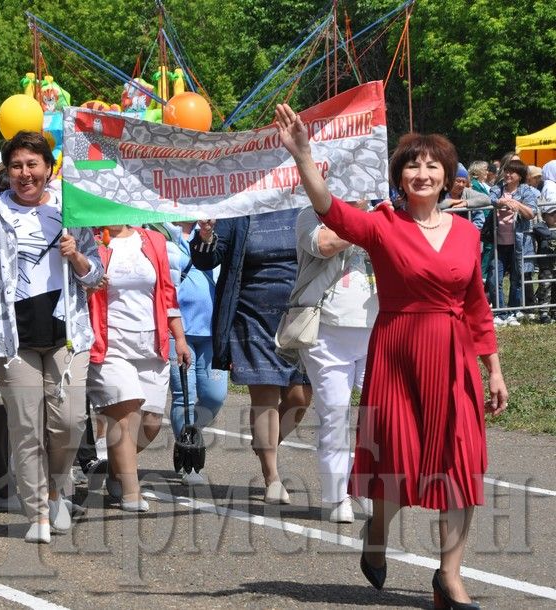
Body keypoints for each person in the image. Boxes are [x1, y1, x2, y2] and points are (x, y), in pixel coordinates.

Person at [275, 103, 508, 608]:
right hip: (398, 352)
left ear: (448, 177)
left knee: (460, 464)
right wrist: (304, 157)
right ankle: (377, 533)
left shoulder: (468, 233)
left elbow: (476, 304)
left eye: (432, 167)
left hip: (452, 356)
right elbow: (330, 211)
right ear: (399, 177)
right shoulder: (384, 225)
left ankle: (449, 576)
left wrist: (492, 369)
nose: (421, 174)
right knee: (396, 463)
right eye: (412, 166)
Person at [0, 130, 103, 543]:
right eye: (16, 166)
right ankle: (38, 514)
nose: (25, 173)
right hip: (11, 336)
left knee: (68, 421)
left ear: (49, 168)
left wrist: (77, 256)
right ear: (6, 171)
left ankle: (56, 488)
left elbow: (97, 276)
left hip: (67, 331)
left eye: (33, 164)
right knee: (28, 425)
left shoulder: (72, 211)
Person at [191, 206, 312, 504]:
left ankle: (264, 442)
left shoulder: (303, 204)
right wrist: (205, 236)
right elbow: (206, 258)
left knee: (300, 397)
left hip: (299, 317)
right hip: (251, 316)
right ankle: (272, 475)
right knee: (265, 394)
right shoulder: (240, 209)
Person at [87, 225, 191, 512]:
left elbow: (167, 294)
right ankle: (132, 493)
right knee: (126, 411)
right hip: (109, 343)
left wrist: (180, 338)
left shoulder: (153, 240)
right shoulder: (92, 239)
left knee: (150, 425)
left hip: (151, 343)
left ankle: (113, 468)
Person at [291, 201, 378, 523]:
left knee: (379, 417)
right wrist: (366, 224)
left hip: (377, 329)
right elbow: (323, 245)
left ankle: (364, 486)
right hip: (326, 332)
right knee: (335, 416)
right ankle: (337, 495)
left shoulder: (379, 212)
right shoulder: (309, 214)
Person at [163, 221, 228, 485]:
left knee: (215, 396)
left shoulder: (217, 233)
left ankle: (190, 435)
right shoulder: (161, 230)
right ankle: (190, 464)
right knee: (184, 398)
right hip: (177, 329)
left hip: (212, 330)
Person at [486, 159, 538, 325]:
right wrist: (501, 202)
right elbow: (491, 199)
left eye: (512, 172)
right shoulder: (497, 188)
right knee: (495, 278)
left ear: (520, 176)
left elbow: (531, 213)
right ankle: (500, 313)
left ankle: (513, 312)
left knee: (517, 278)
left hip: (519, 243)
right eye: (506, 171)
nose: (507, 174)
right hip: (498, 243)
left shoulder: (526, 191)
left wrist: (516, 204)